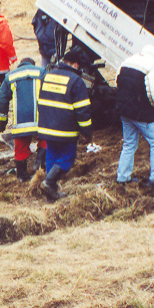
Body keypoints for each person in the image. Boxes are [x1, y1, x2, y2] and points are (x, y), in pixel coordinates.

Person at [114, 44, 154, 195]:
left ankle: (123, 177)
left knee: (129, 143)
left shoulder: (131, 59)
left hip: (124, 109)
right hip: (142, 112)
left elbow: (117, 80)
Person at [36, 48, 93, 201]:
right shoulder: (76, 81)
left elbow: (40, 102)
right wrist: (87, 132)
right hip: (65, 129)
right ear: (75, 64)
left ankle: (50, 193)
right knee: (68, 157)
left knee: (52, 156)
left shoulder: (47, 76)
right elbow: (82, 110)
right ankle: (48, 182)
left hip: (47, 127)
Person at [0, 57, 44, 182]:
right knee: (45, 141)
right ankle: (40, 167)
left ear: (20, 66)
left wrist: (3, 121)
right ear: (32, 64)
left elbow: (1, 99)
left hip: (21, 121)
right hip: (41, 119)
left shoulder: (10, 77)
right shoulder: (42, 72)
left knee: (21, 147)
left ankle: (22, 176)